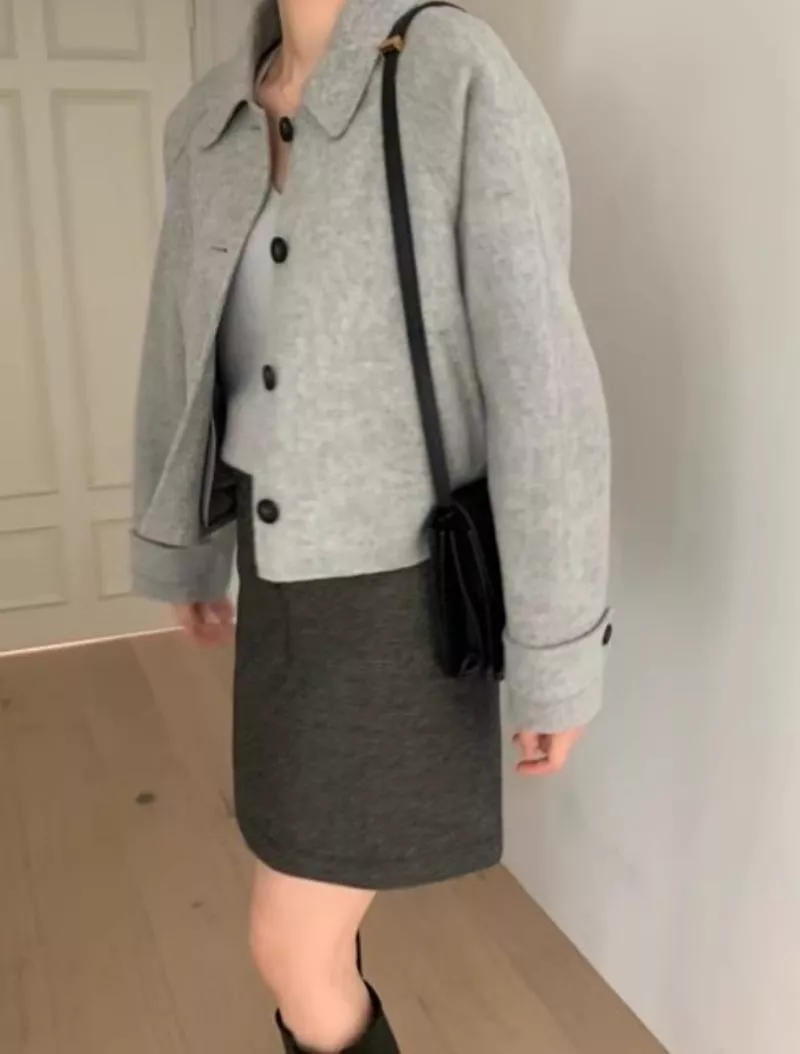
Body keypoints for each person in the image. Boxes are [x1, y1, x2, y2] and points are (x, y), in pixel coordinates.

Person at [131, 0, 612, 1050]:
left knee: (289, 943)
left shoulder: (448, 74)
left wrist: (558, 647)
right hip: (275, 583)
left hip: (402, 595)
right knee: (311, 916)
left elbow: (539, 380)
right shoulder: (209, 119)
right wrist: (185, 546)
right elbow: (179, 356)